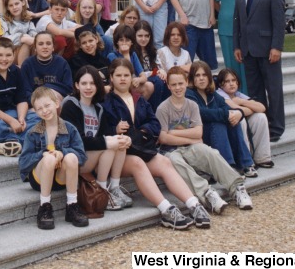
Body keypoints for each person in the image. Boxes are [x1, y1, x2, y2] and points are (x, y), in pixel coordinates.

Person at [103, 58, 205, 229]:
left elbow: (154, 123)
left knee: (165, 162)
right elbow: (101, 130)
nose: (122, 79)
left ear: (131, 77)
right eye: (118, 75)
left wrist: (143, 131)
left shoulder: (139, 99)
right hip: (119, 156)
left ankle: (194, 204)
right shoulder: (106, 101)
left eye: (126, 75)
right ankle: (166, 210)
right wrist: (115, 128)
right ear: (111, 77)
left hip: (141, 147)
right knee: (137, 164)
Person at [156, 67, 253, 215]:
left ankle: (237, 187)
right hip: (170, 150)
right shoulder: (163, 108)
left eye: (180, 84)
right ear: (168, 86)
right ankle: (208, 193)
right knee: (175, 161)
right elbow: (163, 138)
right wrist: (189, 136)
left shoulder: (192, 105)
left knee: (210, 152)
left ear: (186, 83)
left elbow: (198, 133)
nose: (177, 88)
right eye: (173, 85)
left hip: (192, 146)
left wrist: (173, 132)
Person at [61, 66, 132, 210]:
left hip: (92, 158)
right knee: (110, 146)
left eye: (92, 83)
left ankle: (114, 188)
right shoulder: (70, 106)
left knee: (119, 143)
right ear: (77, 85)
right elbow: (77, 141)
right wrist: (108, 141)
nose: (88, 87)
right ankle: (101, 191)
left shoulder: (98, 108)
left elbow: (105, 133)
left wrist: (124, 139)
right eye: (84, 83)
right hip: (75, 159)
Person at [19, 86, 88, 230]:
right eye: (39, 108)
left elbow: (82, 156)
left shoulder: (70, 129)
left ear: (56, 103)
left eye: (47, 105)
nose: (44, 110)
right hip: (40, 179)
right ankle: (44, 206)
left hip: (61, 178)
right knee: (49, 158)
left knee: (71, 157)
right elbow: (23, 163)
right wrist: (42, 154)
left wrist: (62, 152)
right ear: (35, 112)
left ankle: (72, 205)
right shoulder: (33, 133)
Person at [233, 0, 286, 143]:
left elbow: (279, 23)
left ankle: (277, 127)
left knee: (273, 90)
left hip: (267, 50)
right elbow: (237, 22)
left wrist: (276, 47)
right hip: (247, 50)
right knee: (255, 91)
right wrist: (237, 46)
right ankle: (261, 124)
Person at [186, 61, 256, 177]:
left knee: (233, 121)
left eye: (204, 75)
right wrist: (225, 114)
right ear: (192, 79)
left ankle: (244, 164)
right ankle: (228, 166)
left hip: (216, 136)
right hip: (199, 135)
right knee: (218, 123)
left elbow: (228, 108)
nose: (201, 79)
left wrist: (239, 113)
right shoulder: (189, 94)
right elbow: (201, 113)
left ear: (209, 78)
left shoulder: (212, 94)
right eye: (197, 75)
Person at [216, 67, 273, 169]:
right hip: (226, 124)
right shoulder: (219, 94)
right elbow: (235, 109)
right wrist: (249, 108)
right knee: (240, 119)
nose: (231, 84)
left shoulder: (238, 95)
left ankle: (262, 158)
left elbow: (262, 108)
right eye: (227, 81)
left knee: (260, 117)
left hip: (239, 114)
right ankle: (245, 161)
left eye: (234, 80)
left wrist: (242, 102)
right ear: (221, 84)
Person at [213, 0, 249, 93]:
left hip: (246, 28)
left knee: (246, 64)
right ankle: (234, 94)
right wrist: (226, 14)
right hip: (226, 27)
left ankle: (247, 93)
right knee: (231, 63)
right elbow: (215, 1)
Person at [21, 32, 73, 103]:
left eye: (48, 43)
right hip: (35, 103)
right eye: (40, 44)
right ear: (35, 47)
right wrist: (36, 101)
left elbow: (68, 88)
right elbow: (25, 90)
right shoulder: (27, 64)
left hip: (57, 101)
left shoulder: (62, 63)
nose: (45, 47)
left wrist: (48, 89)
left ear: (53, 47)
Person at [0, 0, 36, 66]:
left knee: (36, 44)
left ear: (23, 2)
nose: (14, 7)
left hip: (29, 51)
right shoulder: (3, 20)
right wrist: (21, 38)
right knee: (26, 44)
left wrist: (30, 38)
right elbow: (4, 40)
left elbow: (34, 34)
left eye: (16, 3)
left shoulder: (28, 20)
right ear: (7, 8)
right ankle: (22, 70)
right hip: (9, 52)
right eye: (11, 5)